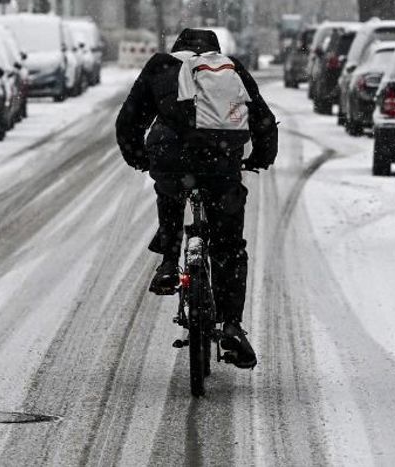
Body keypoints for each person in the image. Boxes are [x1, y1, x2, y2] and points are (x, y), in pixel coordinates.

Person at [115, 28, 277, 369]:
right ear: (214, 52)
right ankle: (230, 323)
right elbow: (262, 118)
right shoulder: (231, 67)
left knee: (170, 192)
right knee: (230, 245)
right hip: (221, 161)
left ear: (178, 49)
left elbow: (129, 120)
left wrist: (139, 158)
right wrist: (260, 156)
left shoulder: (162, 66)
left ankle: (170, 264)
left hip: (172, 156)